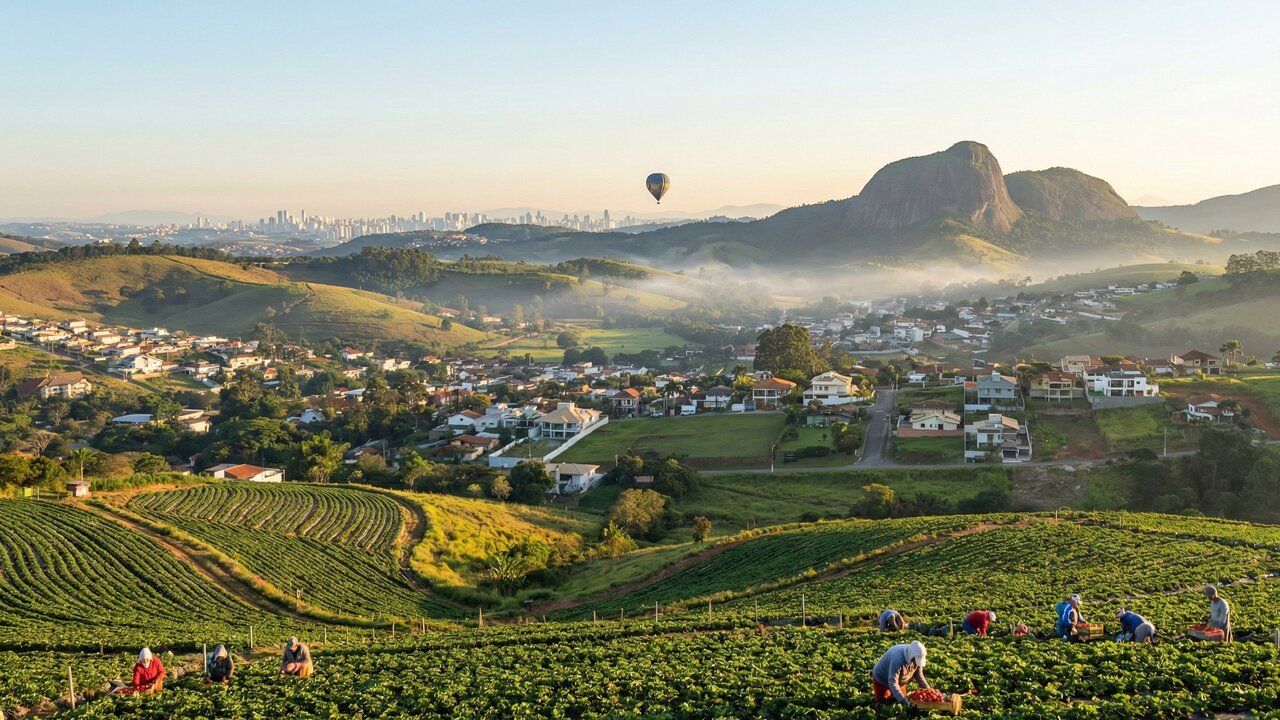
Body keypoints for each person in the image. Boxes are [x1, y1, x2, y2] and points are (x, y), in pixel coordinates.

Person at [871, 641, 930, 706]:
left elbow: (919, 675)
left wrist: (928, 690)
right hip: (882, 678)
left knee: (901, 699)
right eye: (915, 660)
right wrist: (904, 701)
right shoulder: (897, 658)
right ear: (911, 656)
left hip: (899, 680)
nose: (916, 663)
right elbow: (892, 682)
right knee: (883, 703)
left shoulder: (916, 655)